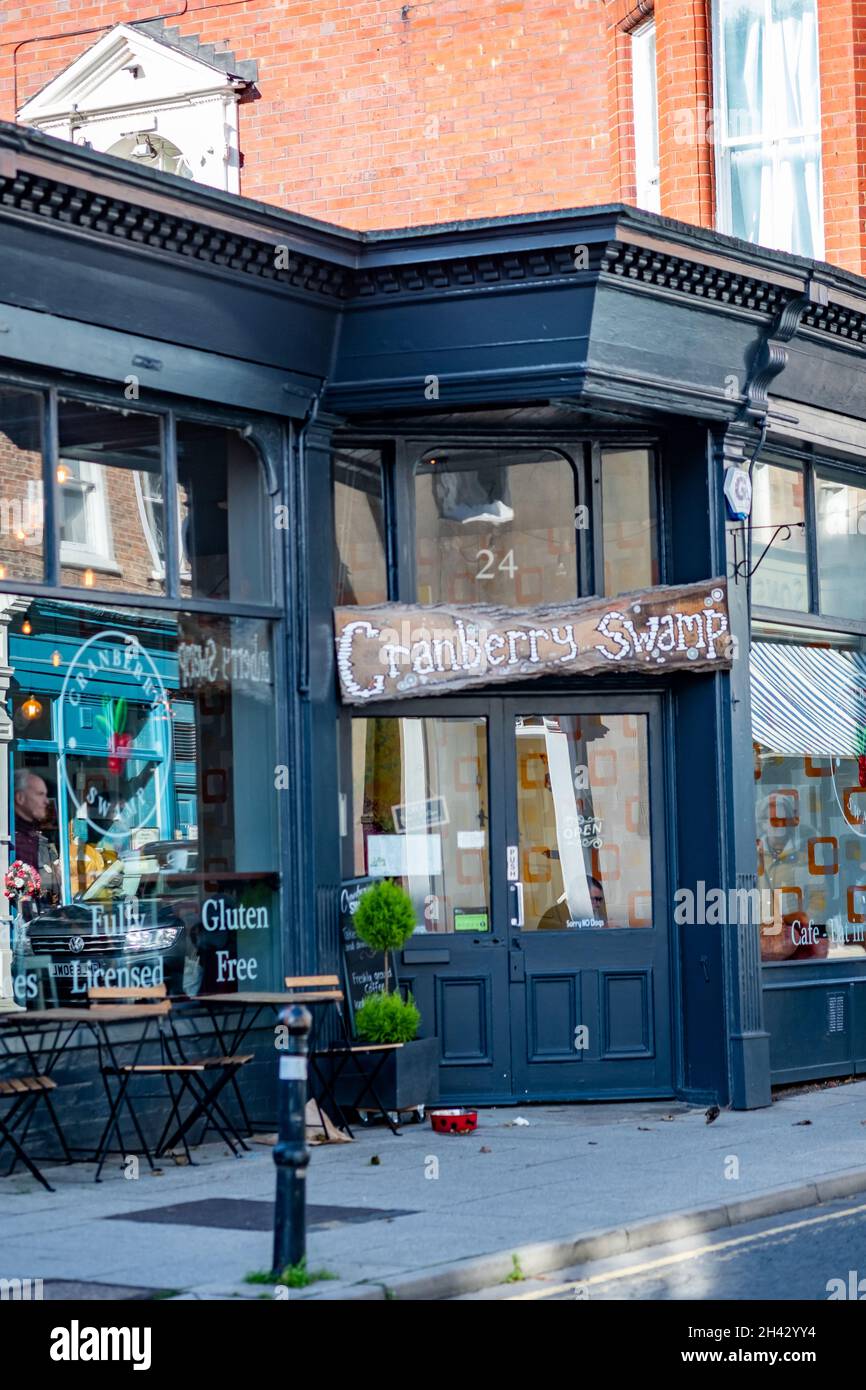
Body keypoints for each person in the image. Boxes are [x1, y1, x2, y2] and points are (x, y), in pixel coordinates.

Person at [13, 770, 62, 907]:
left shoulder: (40, 841)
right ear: (20, 798)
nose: (47, 801)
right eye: (40, 794)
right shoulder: (13, 841)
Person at [538, 875, 606, 930]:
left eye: (600, 899)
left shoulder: (597, 913)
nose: (598, 904)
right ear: (579, 896)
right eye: (595, 899)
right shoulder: (554, 917)